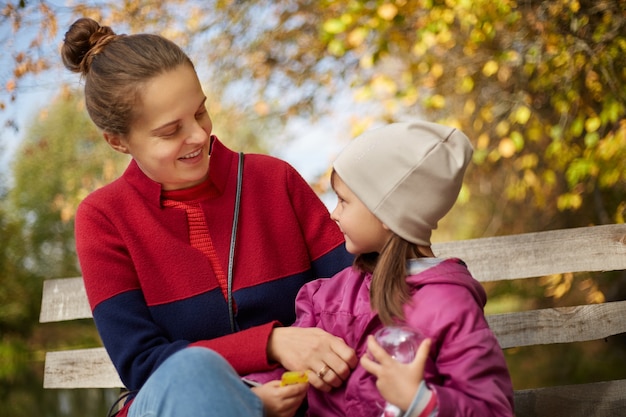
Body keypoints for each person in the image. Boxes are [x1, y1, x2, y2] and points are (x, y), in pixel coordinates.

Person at [61, 17, 357, 417]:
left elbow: (356, 291)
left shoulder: (274, 179)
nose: (200, 136)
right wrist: (266, 355)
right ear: (118, 141)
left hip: (299, 398)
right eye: (171, 131)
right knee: (192, 373)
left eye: (200, 112)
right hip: (175, 402)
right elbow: (143, 365)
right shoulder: (103, 218)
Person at [246, 121, 515, 416]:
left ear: (387, 213)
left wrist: (421, 401)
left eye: (343, 201)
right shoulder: (329, 296)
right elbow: (292, 362)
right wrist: (258, 395)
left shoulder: (450, 307)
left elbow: (492, 408)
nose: (334, 214)